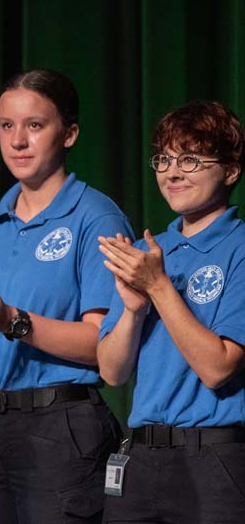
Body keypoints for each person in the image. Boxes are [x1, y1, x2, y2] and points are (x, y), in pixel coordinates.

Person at [0, 69, 133, 524]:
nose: (17, 140)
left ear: (70, 133)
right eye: (7, 125)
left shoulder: (96, 218)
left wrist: (14, 321)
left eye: (34, 125)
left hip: (60, 428)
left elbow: (104, 346)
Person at [97, 100, 245, 524]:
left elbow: (218, 368)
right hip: (140, 456)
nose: (172, 172)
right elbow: (112, 372)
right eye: (163, 158)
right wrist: (132, 310)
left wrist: (160, 287)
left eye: (191, 159)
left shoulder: (238, 248)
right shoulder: (144, 253)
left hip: (213, 458)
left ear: (231, 171)